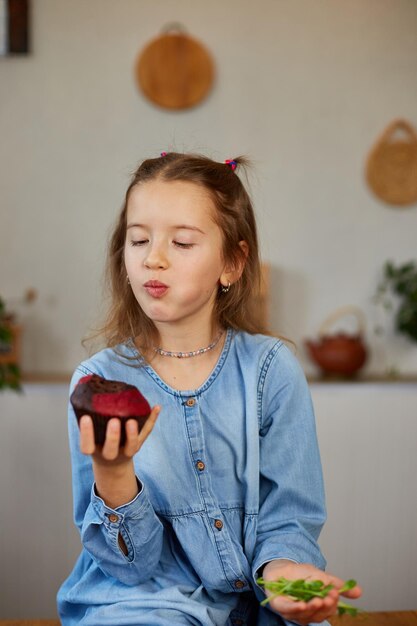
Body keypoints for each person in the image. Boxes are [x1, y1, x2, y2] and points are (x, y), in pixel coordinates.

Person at [57, 152, 362, 626]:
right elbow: (129, 568)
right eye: (138, 240)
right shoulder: (96, 383)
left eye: (181, 242)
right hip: (144, 604)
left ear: (233, 263)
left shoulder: (271, 371)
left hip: (256, 605)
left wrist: (285, 578)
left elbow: (290, 516)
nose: (152, 257)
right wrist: (113, 472)